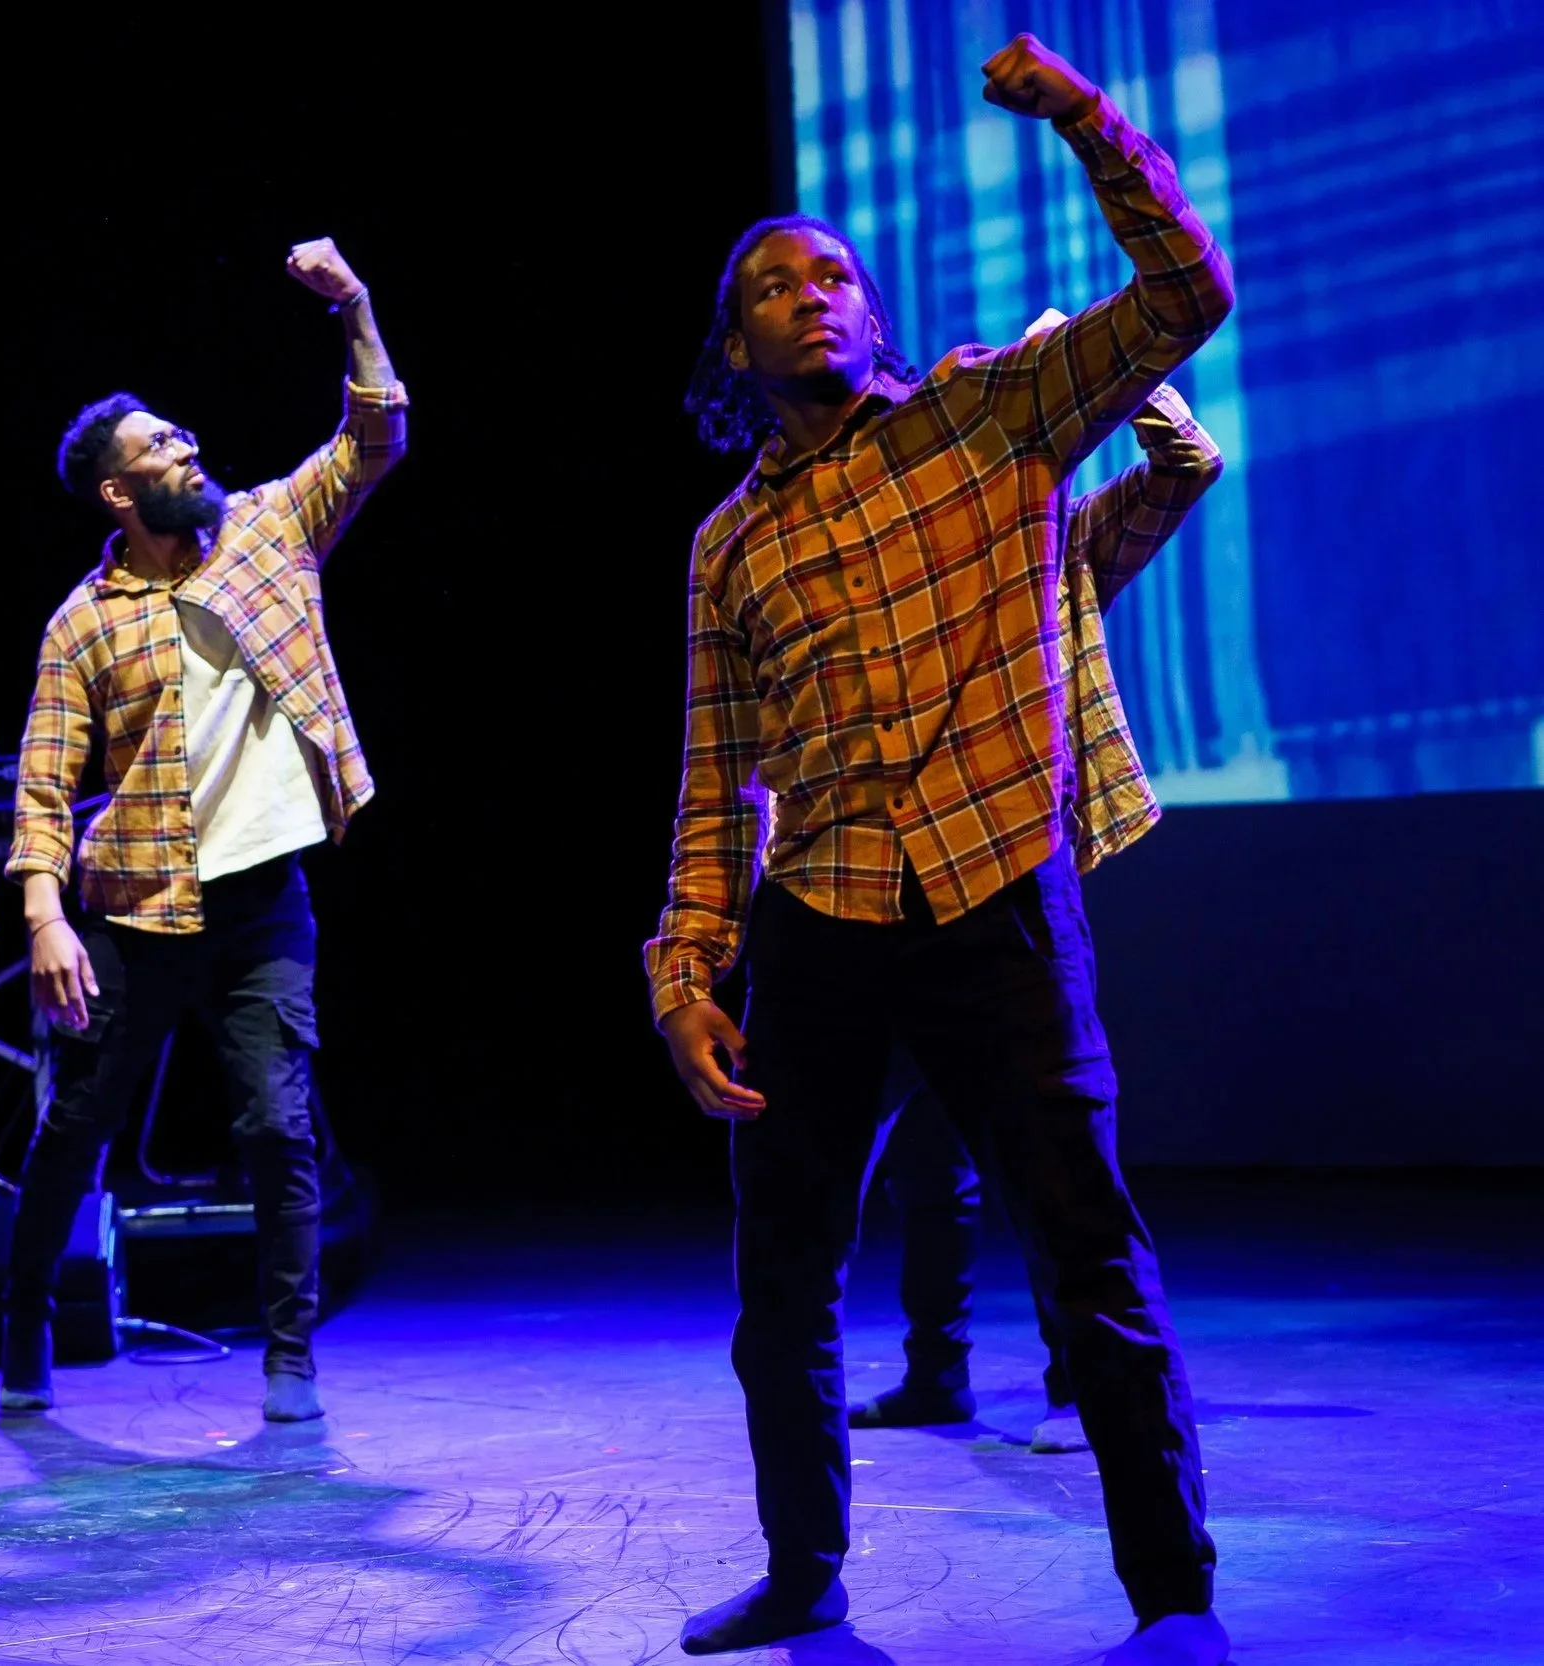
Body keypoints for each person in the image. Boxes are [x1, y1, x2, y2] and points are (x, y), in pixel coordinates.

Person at [647, 34, 1234, 1663]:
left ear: (874, 310)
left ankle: (1174, 1595)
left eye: (832, 274)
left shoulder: (989, 414)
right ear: (737, 345)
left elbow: (1187, 291)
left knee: (1087, 1249)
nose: (809, 295)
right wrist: (685, 968)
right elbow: (712, 778)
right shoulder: (727, 546)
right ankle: (805, 1568)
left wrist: (1083, 117)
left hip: (994, 891)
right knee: (782, 1276)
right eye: (772, 286)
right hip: (822, 917)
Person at [0, 237, 404, 1425]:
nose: (186, 447)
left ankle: (289, 1356)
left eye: (182, 434)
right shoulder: (82, 623)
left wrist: (354, 306)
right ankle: (24, 1317)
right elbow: (41, 783)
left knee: (279, 1127)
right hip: (136, 912)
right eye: (157, 447)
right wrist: (43, 917)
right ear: (118, 495)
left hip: (262, 901)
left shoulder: (270, 533)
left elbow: (375, 434)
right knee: (80, 1125)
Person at [856, 380, 1223, 1459]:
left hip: (1008, 871)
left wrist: (1123, 375)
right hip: (886, 884)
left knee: (1040, 1146)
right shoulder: (895, 561)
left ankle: (1075, 1387)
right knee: (928, 1154)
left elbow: (1187, 465)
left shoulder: (1056, 539)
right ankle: (937, 1371)